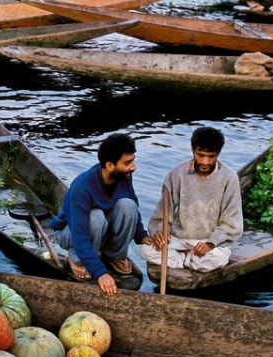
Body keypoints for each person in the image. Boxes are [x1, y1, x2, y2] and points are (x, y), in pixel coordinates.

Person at [51, 133, 155, 296]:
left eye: (133, 161)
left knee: (128, 205)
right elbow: (79, 236)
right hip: (71, 234)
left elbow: (132, 204)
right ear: (110, 165)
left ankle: (114, 255)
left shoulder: (123, 176)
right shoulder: (82, 188)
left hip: (101, 228)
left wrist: (141, 235)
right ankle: (77, 259)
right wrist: (101, 273)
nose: (134, 167)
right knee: (96, 217)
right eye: (128, 163)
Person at [139, 127, 241, 274]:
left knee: (217, 259)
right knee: (145, 250)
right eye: (200, 155)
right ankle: (188, 261)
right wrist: (161, 232)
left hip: (209, 243)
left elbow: (231, 222)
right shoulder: (176, 174)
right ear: (193, 150)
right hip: (178, 240)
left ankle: (182, 261)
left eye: (211, 156)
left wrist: (211, 243)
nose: (205, 162)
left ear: (218, 154)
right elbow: (162, 215)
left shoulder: (229, 178)